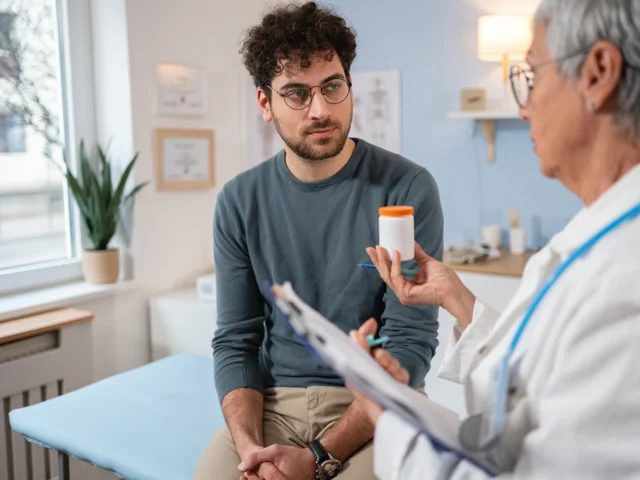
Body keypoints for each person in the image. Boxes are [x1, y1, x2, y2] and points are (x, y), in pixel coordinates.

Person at [347, 0, 640, 478]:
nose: (523, 107)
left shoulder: (625, 279)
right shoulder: (601, 236)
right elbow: (536, 388)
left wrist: (389, 417)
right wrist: (456, 298)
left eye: (531, 75)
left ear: (598, 72)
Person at [192, 2, 444, 479]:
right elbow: (236, 340)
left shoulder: (407, 189)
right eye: (296, 94)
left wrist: (316, 457)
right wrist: (249, 451)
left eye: (333, 86)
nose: (321, 109)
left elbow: (411, 339)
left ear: (350, 88)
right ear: (265, 103)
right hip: (273, 405)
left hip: (375, 403)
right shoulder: (239, 201)